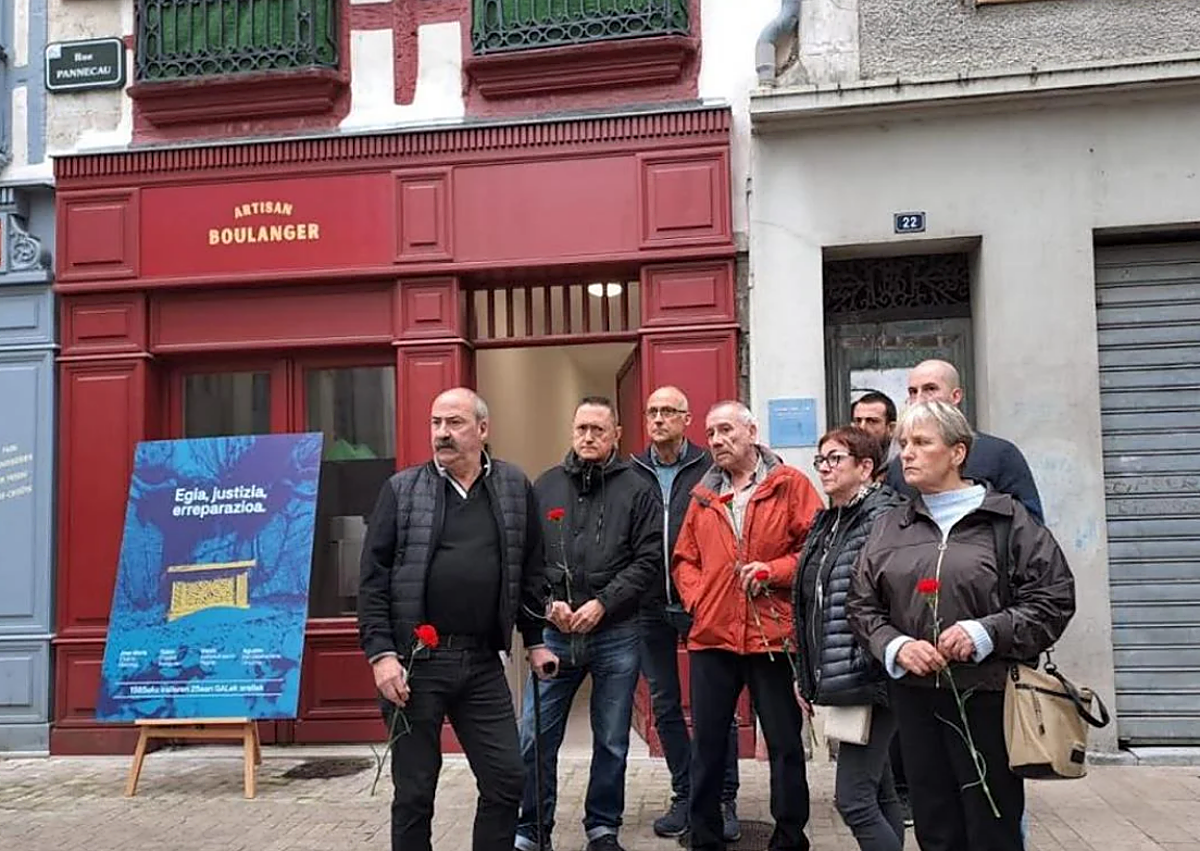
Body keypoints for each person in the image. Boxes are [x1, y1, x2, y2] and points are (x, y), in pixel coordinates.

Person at [847, 401, 1076, 851]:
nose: (906, 454)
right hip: (915, 699)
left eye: (921, 443)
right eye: (903, 444)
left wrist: (987, 632)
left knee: (992, 822)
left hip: (987, 698)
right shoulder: (891, 525)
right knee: (935, 824)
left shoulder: (1008, 520)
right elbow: (861, 604)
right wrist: (894, 647)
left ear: (957, 453)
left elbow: (1053, 597)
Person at [357, 388, 558, 851]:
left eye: (454, 423)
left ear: (483, 430)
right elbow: (372, 579)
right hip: (414, 664)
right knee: (414, 791)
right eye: (436, 423)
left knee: (507, 777)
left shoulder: (512, 486)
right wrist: (381, 655)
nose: (442, 434)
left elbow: (531, 570)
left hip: (482, 660)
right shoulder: (403, 490)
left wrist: (536, 640)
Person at [673, 401, 824, 851]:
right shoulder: (703, 493)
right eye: (710, 433)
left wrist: (772, 571)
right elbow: (684, 558)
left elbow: (813, 552)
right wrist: (699, 599)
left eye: (725, 430)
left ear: (752, 431)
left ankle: (790, 836)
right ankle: (704, 835)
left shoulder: (789, 485)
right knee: (709, 745)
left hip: (771, 637)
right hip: (712, 636)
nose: (716, 440)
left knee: (783, 743)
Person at [515, 396, 663, 851]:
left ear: (617, 434)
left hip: (616, 633)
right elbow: (528, 558)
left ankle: (602, 827)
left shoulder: (638, 488)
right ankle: (532, 829)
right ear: (572, 431)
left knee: (612, 738)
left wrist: (602, 603)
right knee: (534, 736)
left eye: (599, 429)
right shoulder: (545, 486)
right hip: (556, 634)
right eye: (582, 428)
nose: (589, 437)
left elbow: (648, 560)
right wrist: (549, 604)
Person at [629, 386, 742, 842]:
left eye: (668, 412)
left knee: (717, 707)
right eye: (652, 411)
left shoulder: (710, 468)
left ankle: (723, 798)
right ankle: (686, 792)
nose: (658, 419)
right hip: (647, 605)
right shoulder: (630, 471)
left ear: (686, 418)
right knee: (664, 703)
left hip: (705, 603)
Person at [792, 426, 904, 851]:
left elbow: (887, 601)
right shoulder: (830, 519)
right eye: (820, 459)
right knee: (879, 792)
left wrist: (869, 663)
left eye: (835, 458)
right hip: (844, 674)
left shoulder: (884, 518)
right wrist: (807, 675)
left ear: (866, 467)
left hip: (871, 675)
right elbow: (810, 604)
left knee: (853, 800)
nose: (824, 467)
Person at [884, 360, 1044, 522]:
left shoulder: (1000, 455)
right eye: (912, 392)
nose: (919, 400)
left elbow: (1030, 528)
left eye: (930, 389)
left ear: (956, 396)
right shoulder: (900, 466)